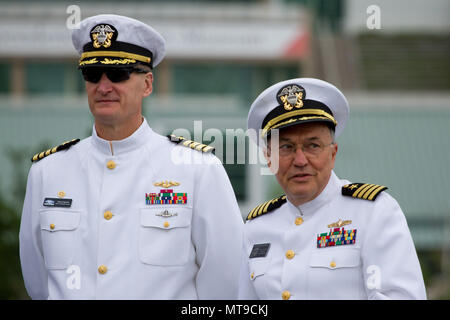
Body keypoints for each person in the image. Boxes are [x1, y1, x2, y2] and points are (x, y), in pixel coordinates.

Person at [19, 14, 243, 300]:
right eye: (92, 74)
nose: (103, 86)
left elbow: (225, 284)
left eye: (118, 74)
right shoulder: (47, 172)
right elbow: (39, 284)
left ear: (147, 84)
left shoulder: (198, 169)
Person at [239, 78, 426, 299]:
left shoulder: (373, 212)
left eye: (313, 146)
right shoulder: (255, 228)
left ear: (333, 153)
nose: (300, 160)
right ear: (269, 158)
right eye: (286, 147)